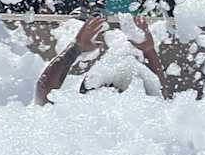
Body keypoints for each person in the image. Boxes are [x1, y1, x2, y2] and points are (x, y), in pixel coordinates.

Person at [35, 14, 170, 105]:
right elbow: (160, 95)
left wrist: (75, 48)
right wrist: (149, 51)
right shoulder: (147, 124)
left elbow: (44, 94)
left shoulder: (81, 122)